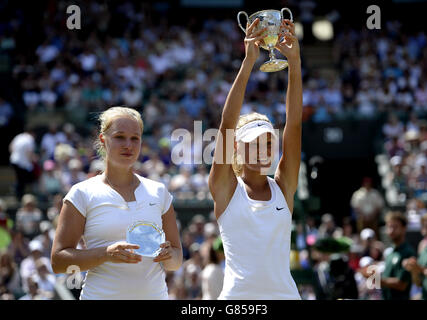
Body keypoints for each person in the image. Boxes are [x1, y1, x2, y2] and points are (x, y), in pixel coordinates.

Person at [208, 18, 302, 299]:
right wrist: (248, 62)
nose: (263, 150)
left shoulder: (283, 186)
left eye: (268, 142)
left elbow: (294, 125)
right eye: (253, 144)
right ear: (236, 147)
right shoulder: (225, 188)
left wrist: (294, 63)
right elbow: (226, 124)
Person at [51, 106, 182, 299]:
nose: (128, 145)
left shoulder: (159, 191)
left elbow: (177, 259)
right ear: (103, 140)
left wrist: (170, 256)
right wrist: (105, 254)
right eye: (120, 137)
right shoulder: (81, 193)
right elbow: (59, 262)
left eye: (135, 138)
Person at [380, 211, 415, 300]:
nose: (391, 231)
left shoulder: (408, 252)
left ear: (404, 228)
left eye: (395, 227)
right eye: (389, 227)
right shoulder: (390, 252)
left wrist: (376, 280)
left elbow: (402, 284)